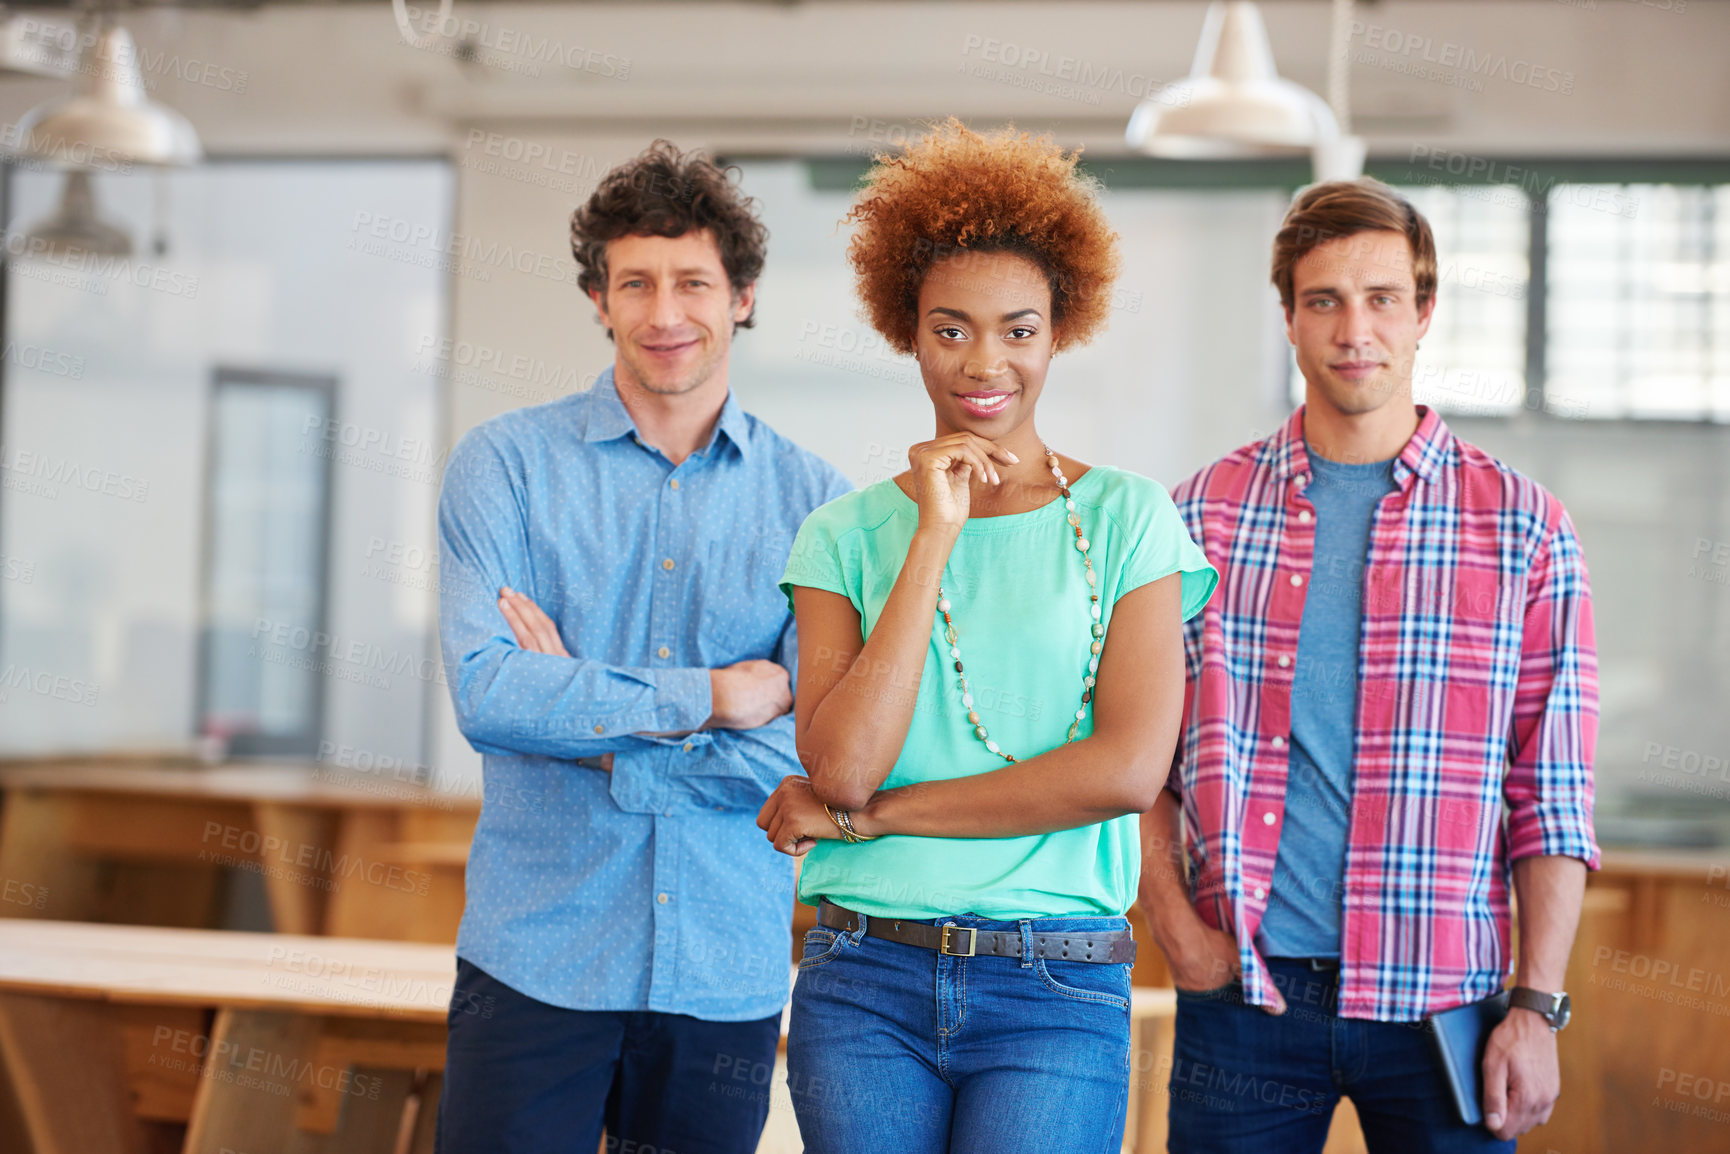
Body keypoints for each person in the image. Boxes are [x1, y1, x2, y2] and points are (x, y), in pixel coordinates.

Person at [755, 119, 1218, 1151]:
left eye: (1018, 328)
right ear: (906, 331)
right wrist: (933, 532)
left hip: (1054, 983)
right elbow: (838, 765)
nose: (984, 360)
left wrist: (867, 823)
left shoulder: (1130, 519)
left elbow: (1123, 770)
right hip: (864, 975)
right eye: (949, 327)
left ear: (1060, 331)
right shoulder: (843, 533)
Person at [1143, 178, 1599, 1153]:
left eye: (1381, 298)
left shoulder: (1522, 528)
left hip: (1446, 1003)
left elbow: (1550, 791)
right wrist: (1176, 929)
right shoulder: (1197, 517)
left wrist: (1537, 1004)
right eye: (1324, 301)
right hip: (1244, 994)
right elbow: (1140, 753)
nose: (1354, 328)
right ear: (1288, 320)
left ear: (1422, 312)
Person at [434, 140, 852, 1154]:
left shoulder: (818, 504)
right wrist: (711, 694)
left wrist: (581, 709)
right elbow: (490, 694)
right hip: (535, 957)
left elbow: (813, 754)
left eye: (692, 282)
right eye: (635, 283)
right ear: (598, 299)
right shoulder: (506, 468)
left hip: (723, 966)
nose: (665, 313)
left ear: (742, 296)